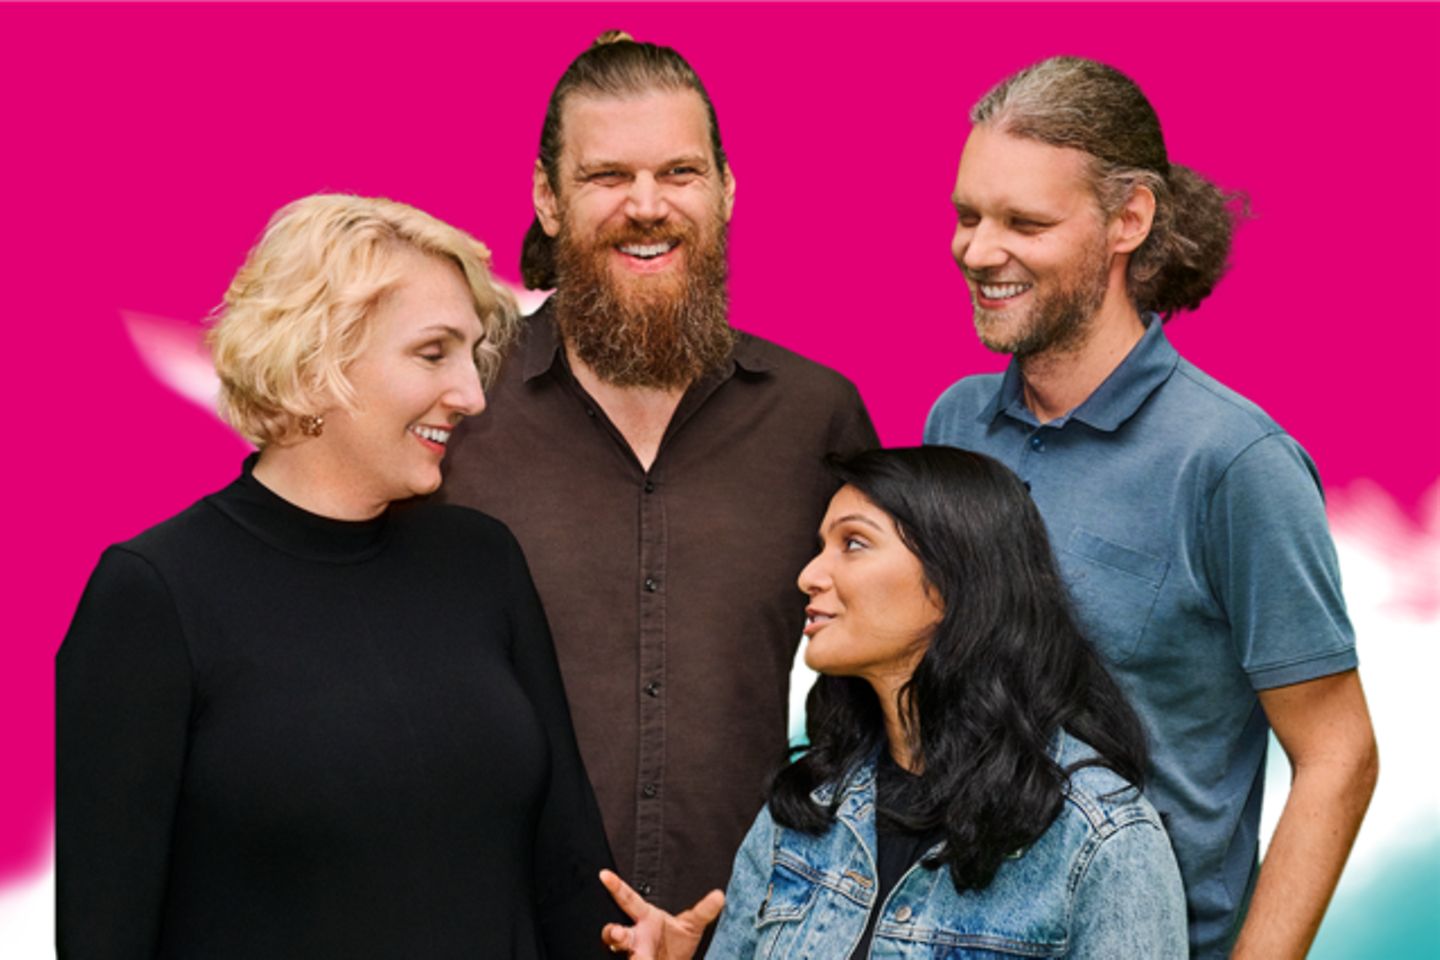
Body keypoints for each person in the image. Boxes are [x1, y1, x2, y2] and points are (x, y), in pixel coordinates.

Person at [56, 194, 620, 958]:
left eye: (471, 353)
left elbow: (568, 866)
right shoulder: (153, 593)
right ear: (317, 361)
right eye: (432, 353)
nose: (472, 394)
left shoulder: (482, 560)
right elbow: (105, 935)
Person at [924, 57, 1379, 958]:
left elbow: (1340, 755)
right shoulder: (954, 422)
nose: (978, 251)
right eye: (968, 216)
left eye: (1025, 222)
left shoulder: (1234, 463)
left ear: (1128, 220)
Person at [439, 32, 877, 914]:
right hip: (491, 926)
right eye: (607, 177)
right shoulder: (457, 407)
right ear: (547, 198)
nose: (647, 206)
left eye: (680, 173)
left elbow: (890, 686)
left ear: (726, 190)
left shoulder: (818, 416)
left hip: (756, 928)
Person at [599, 446, 1188, 958]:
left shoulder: (1104, 841)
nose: (808, 575)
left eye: (853, 543)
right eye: (820, 546)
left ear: (955, 583)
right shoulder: (802, 812)